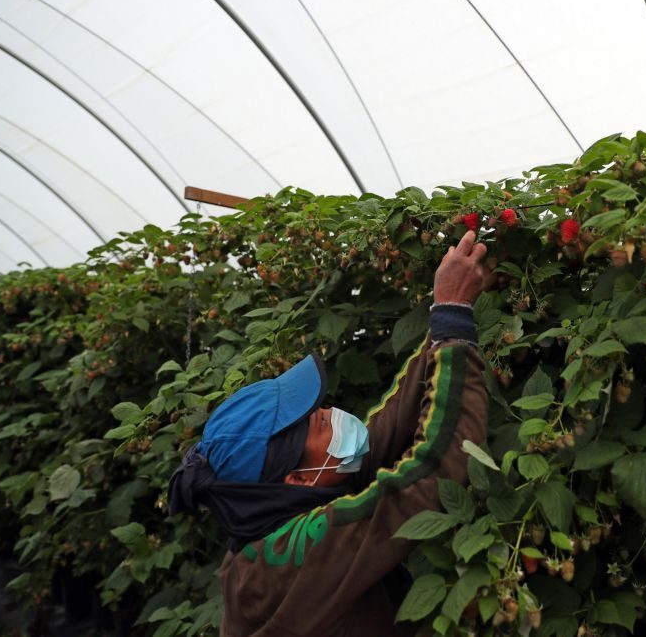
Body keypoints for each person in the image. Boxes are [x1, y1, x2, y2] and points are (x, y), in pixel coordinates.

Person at [168, 229, 492, 636]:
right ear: (297, 478)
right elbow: (431, 474)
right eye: (319, 423)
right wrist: (455, 320)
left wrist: (443, 320)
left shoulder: (269, 523)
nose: (329, 412)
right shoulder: (296, 553)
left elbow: (382, 435)